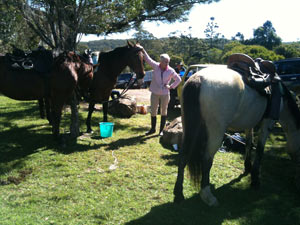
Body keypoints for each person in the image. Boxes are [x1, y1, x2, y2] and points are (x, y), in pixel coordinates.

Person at [140, 45, 182, 136]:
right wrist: (143, 50)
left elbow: (178, 79)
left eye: (168, 62)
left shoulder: (170, 70)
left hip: (165, 94)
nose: (167, 64)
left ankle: (161, 130)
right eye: (165, 62)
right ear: (161, 62)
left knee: (164, 111)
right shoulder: (155, 66)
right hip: (154, 92)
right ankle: (152, 129)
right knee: (154, 111)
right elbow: (147, 59)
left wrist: (171, 86)